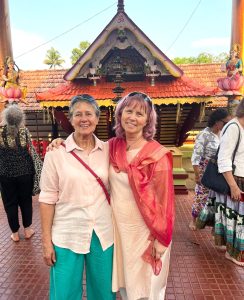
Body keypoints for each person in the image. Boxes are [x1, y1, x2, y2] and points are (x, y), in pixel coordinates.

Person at [48, 92, 175, 300]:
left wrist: (162, 240)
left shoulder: (156, 155)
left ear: (148, 120)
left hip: (147, 233)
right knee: (125, 286)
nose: (133, 117)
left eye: (140, 113)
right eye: (128, 111)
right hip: (119, 232)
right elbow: (81, 148)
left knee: (147, 287)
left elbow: (165, 202)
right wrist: (60, 142)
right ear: (120, 115)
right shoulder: (112, 147)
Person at [39, 94, 115, 300]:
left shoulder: (109, 150)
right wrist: (46, 243)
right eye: (78, 114)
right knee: (64, 294)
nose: (84, 119)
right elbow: (47, 199)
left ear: (97, 118)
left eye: (89, 114)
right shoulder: (56, 153)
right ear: (70, 120)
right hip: (66, 233)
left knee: (104, 293)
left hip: (102, 233)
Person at [189, 108, 230, 230]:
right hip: (204, 170)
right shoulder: (204, 135)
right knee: (201, 196)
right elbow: (196, 157)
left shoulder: (224, 134)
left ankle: (213, 224)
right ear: (217, 122)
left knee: (216, 197)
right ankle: (194, 220)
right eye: (225, 122)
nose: (227, 125)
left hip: (219, 170)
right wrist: (197, 175)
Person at [214, 99, 244, 266]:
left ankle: (234, 252)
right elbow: (223, 159)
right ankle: (233, 253)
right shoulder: (233, 128)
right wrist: (233, 186)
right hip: (235, 179)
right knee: (236, 222)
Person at [0, 104, 35, 242]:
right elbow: (28, 148)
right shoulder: (24, 130)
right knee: (26, 201)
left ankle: (15, 233)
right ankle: (27, 230)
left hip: (5, 172)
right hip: (25, 171)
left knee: (10, 203)